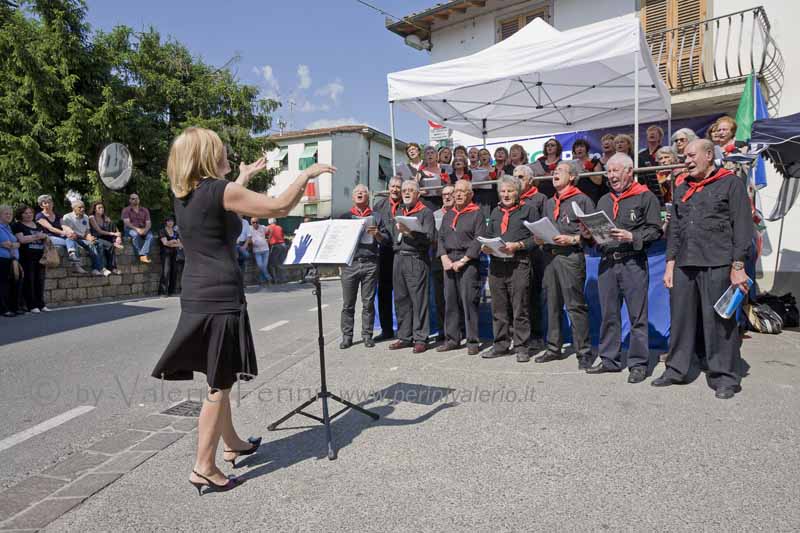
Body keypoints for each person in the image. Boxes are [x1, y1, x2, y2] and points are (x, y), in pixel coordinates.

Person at [152, 126, 335, 494]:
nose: (226, 153)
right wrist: (306, 174)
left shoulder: (184, 194)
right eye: (220, 149)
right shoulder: (221, 191)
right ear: (207, 155)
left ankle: (232, 443)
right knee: (219, 383)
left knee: (220, 373)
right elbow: (279, 207)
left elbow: (217, 206)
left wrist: (243, 177)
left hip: (197, 292)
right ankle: (203, 466)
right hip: (220, 295)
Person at [653, 139, 753, 399]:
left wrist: (738, 265)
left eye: (690, 155)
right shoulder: (682, 186)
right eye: (684, 156)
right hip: (684, 263)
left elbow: (742, 227)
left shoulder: (731, 183)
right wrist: (669, 263)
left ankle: (724, 377)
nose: (686, 160)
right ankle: (677, 369)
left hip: (718, 261)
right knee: (680, 320)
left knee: (720, 322)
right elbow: (674, 228)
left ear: (709, 155)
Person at [584, 153, 662, 383]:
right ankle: (609, 359)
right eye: (609, 171)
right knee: (609, 314)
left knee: (637, 315)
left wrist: (632, 236)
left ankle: (638, 364)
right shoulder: (605, 200)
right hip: (608, 262)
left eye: (616, 171)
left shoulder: (645, 197)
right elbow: (600, 232)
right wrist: (590, 234)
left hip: (632, 262)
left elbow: (656, 230)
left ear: (629, 171)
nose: (612, 176)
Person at [536, 162, 595, 369]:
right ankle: (554, 348)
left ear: (572, 177)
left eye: (559, 171)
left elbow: (593, 232)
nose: (555, 173)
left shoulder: (582, 200)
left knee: (574, 305)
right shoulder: (550, 202)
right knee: (552, 304)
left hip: (570, 257)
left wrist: (574, 239)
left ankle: (584, 351)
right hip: (550, 257)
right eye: (554, 171)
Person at [482, 176, 537, 362]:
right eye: (503, 191)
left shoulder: (529, 210)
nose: (506, 194)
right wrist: (486, 246)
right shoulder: (495, 212)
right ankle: (500, 345)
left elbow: (536, 238)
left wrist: (519, 245)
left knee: (520, 307)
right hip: (497, 265)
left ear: (517, 192)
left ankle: (522, 347)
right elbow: (489, 235)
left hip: (519, 264)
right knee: (498, 308)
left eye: (510, 191)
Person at [436, 179, 485, 355]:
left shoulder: (477, 213)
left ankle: (472, 341)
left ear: (470, 195)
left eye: (462, 191)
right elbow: (440, 237)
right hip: (449, 260)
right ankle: (452, 339)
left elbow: (478, 239)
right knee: (450, 301)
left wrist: (463, 260)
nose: (457, 194)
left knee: (469, 302)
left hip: (468, 262)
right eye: (456, 191)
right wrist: (443, 257)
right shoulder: (449, 214)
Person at [339, 184, 391, 349]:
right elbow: (338, 241)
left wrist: (377, 234)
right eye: (357, 192)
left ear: (368, 197)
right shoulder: (344, 217)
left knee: (368, 303)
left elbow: (386, 240)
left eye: (363, 192)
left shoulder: (376, 216)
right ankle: (347, 336)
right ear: (353, 197)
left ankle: (367, 335)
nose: (360, 194)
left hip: (370, 263)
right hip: (350, 264)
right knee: (348, 303)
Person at [389, 180, 435, 353]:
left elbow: (429, 239)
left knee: (418, 301)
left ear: (418, 193)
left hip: (416, 258)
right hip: (398, 258)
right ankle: (404, 336)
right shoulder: (399, 210)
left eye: (410, 190)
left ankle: (421, 338)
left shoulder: (426, 213)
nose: (406, 193)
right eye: (404, 190)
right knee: (401, 299)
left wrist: (410, 232)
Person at [515, 165, 547, 353]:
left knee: (534, 296)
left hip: (535, 253)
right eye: (514, 177)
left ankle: (536, 336)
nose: (517, 180)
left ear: (530, 180)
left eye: (520, 177)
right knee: (518, 298)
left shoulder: (540, 199)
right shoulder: (512, 198)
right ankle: (518, 336)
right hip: (517, 254)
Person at [373, 176, 403, 341]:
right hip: (384, 252)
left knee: (401, 293)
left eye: (398, 186)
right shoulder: (379, 205)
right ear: (388, 187)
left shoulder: (406, 204)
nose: (395, 189)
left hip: (402, 252)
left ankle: (404, 330)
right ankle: (386, 330)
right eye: (392, 186)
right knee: (384, 292)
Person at [13, 205, 48, 313]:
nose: (28, 215)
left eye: (30, 213)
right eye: (25, 213)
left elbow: (45, 236)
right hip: (26, 257)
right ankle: (31, 305)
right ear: (20, 215)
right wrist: (37, 236)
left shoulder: (37, 225)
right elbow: (22, 240)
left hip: (40, 257)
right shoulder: (17, 225)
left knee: (40, 281)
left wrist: (34, 237)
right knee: (29, 281)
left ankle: (41, 304)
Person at [431, 185, 455, 342]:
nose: (446, 197)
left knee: (454, 298)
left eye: (450, 194)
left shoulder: (459, 213)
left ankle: (456, 329)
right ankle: (442, 329)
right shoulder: (434, 215)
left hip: (455, 259)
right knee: (440, 298)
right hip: (438, 261)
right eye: (444, 195)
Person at [62, 197, 107, 276]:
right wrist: (86, 238)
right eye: (80, 207)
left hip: (83, 238)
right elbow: (69, 233)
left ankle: (96, 268)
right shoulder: (67, 217)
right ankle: (98, 268)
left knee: (95, 244)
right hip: (74, 238)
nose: (82, 209)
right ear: (74, 208)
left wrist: (89, 237)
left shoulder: (86, 217)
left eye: (83, 207)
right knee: (89, 244)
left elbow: (87, 231)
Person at [89, 201, 124, 275]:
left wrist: (118, 236)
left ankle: (115, 241)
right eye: (99, 208)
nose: (102, 209)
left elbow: (114, 227)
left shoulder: (105, 217)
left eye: (102, 208)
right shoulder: (92, 217)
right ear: (94, 209)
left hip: (105, 236)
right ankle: (111, 267)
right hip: (96, 237)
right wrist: (113, 233)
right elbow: (99, 231)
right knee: (109, 245)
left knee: (111, 223)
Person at [0, 205, 23, 317]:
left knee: (14, 284)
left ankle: (14, 307)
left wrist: (14, 244)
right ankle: (4, 309)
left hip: (12, 260)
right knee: (3, 285)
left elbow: (17, 243)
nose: (9, 216)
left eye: (10, 214)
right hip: (2, 259)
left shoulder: (8, 228)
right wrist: (14, 244)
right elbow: (7, 244)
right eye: (6, 214)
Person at [571, 139, 608, 205]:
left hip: (594, 195)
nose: (579, 149)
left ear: (586, 149)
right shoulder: (572, 164)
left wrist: (588, 173)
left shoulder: (595, 161)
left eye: (582, 146)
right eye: (577, 147)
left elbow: (598, 182)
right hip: (578, 195)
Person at [122, 192, 154, 263]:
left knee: (151, 237)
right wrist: (137, 229)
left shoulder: (145, 210)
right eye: (133, 199)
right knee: (135, 235)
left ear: (139, 200)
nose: (135, 200)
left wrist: (145, 230)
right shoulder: (126, 210)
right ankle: (140, 255)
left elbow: (148, 223)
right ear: (130, 200)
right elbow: (127, 223)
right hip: (130, 229)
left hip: (143, 228)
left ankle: (143, 255)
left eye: (137, 198)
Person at [637, 125, 666, 202]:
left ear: (660, 137)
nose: (651, 134)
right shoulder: (641, 155)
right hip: (645, 185)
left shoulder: (664, 152)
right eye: (649, 133)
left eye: (655, 133)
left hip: (660, 185)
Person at [159, 215, 183, 296]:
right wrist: (173, 241)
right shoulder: (162, 231)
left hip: (174, 254)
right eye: (168, 221)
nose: (170, 222)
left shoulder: (175, 232)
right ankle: (163, 292)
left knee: (174, 272)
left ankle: (171, 291)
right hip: (165, 254)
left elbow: (180, 245)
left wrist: (171, 243)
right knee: (166, 272)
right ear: (166, 222)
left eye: (172, 221)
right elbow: (165, 243)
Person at [249, 218, 272, 286]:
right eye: (253, 222)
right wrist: (251, 242)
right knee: (260, 266)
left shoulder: (262, 227)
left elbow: (271, 230)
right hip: (257, 251)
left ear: (258, 222)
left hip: (265, 250)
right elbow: (247, 237)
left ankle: (262, 281)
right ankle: (269, 278)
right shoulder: (249, 229)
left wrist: (269, 239)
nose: (255, 223)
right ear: (251, 223)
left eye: (256, 222)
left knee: (264, 266)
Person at [266, 218, 287, 283]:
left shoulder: (268, 227)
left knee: (272, 264)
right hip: (283, 245)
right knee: (281, 263)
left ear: (269, 222)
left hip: (275, 246)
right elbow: (282, 236)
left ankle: (275, 279)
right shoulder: (279, 227)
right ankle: (283, 279)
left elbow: (264, 235)